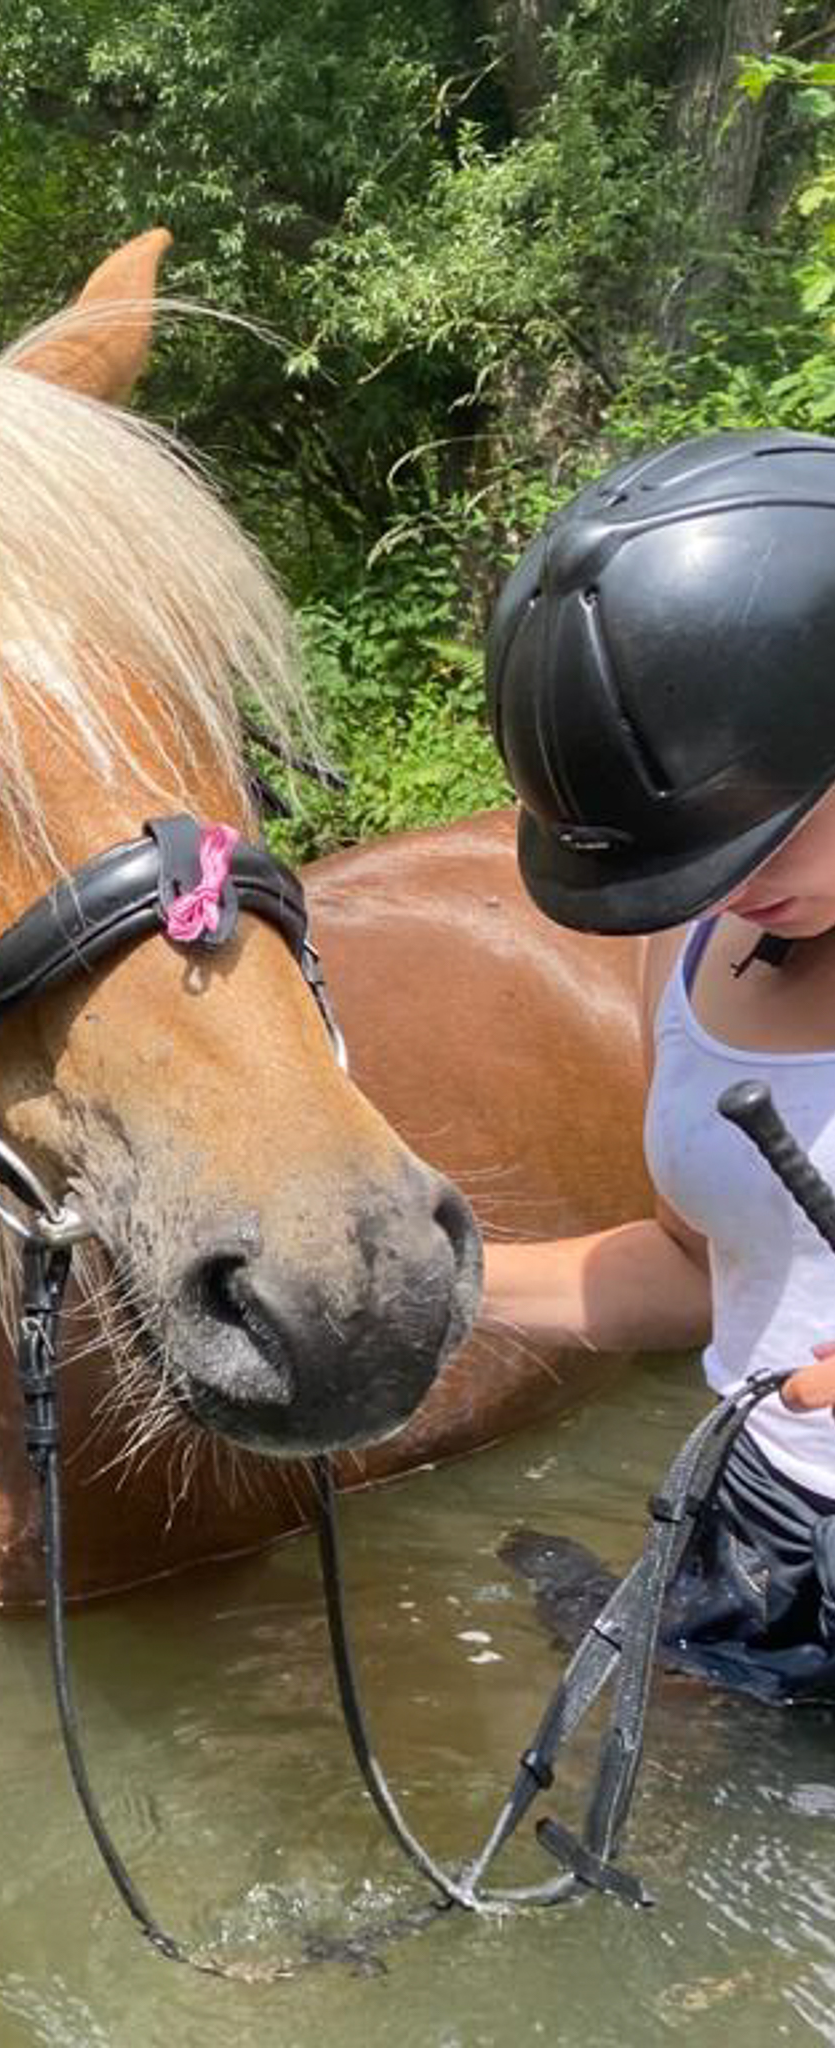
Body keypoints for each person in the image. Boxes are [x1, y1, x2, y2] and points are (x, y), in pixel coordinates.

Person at [478, 426, 835, 1701]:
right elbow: (701, 1276)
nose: (733, 888)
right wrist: (427, 1282)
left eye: (764, 837)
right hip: (753, 1523)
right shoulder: (693, 948)